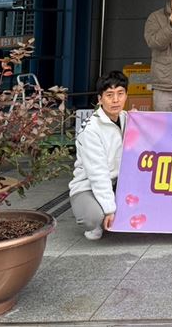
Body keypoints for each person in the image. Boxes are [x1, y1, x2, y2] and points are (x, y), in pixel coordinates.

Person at [69, 71, 129, 240]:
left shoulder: (127, 118)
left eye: (120, 94)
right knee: (93, 217)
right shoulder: (91, 130)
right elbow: (98, 174)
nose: (115, 100)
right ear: (100, 99)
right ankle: (95, 222)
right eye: (109, 95)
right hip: (87, 185)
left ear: (126, 95)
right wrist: (109, 209)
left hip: (118, 183)